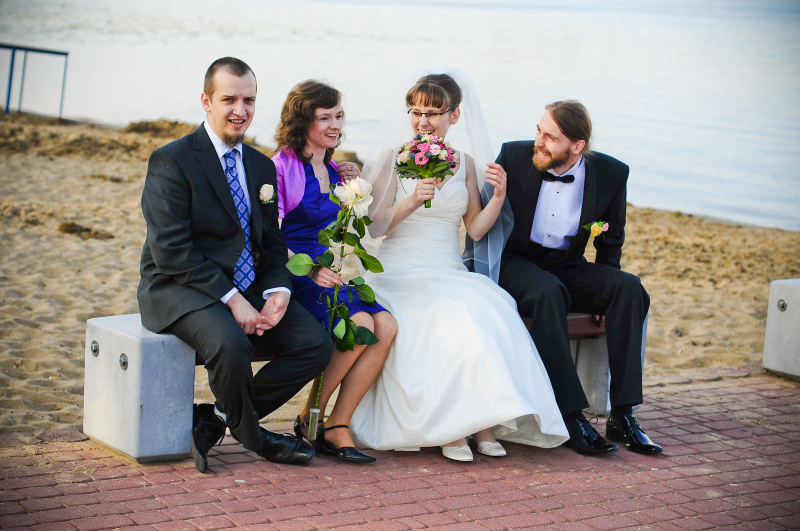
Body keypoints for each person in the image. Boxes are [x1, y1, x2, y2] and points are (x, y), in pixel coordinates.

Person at [349, 68, 569, 462]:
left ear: (454, 116)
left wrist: (498, 197)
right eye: (417, 112)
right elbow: (376, 227)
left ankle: (480, 424)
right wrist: (411, 201)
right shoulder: (392, 159)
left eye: (433, 113)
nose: (423, 122)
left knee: (487, 309)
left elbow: (476, 229)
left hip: (447, 269)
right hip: (400, 269)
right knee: (440, 317)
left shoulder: (465, 163)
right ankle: (455, 430)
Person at [137, 57, 333, 473]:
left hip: (247, 283)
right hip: (181, 286)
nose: (240, 110)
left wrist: (278, 289)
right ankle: (258, 439)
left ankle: (217, 417)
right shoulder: (171, 160)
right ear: (206, 101)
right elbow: (171, 250)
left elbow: (272, 242)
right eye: (229, 100)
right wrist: (232, 299)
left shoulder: (260, 166)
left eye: (249, 100)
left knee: (315, 344)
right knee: (231, 345)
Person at [496, 100, 662, 455]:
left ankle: (623, 414)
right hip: (516, 262)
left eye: (550, 137)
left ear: (577, 146)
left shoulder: (612, 173)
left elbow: (610, 236)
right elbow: (487, 218)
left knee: (628, 288)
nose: (538, 142)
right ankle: (571, 416)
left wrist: (603, 293)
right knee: (548, 292)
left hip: (568, 263)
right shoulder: (513, 156)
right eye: (538, 131)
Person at [273, 80, 397, 463]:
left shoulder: (332, 167)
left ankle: (336, 422)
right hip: (296, 270)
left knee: (386, 325)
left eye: (338, 116)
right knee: (359, 324)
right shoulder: (282, 167)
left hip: (330, 268)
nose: (335, 125)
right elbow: (267, 235)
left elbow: (350, 224)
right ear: (302, 121)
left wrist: (355, 185)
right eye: (324, 117)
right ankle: (311, 418)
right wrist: (310, 270)